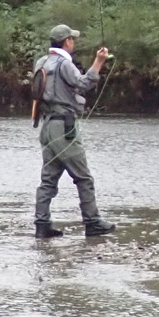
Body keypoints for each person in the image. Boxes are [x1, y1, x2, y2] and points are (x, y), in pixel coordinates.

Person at [31, 25, 114, 239]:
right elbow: (83, 83)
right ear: (67, 41)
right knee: (83, 178)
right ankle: (93, 222)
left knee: (48, 178)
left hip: (46, 126)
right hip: (64, 128)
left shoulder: (41, 62)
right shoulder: (64, 63)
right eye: (72, 40)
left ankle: (42, 225)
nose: (74, 43)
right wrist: (99, 62)